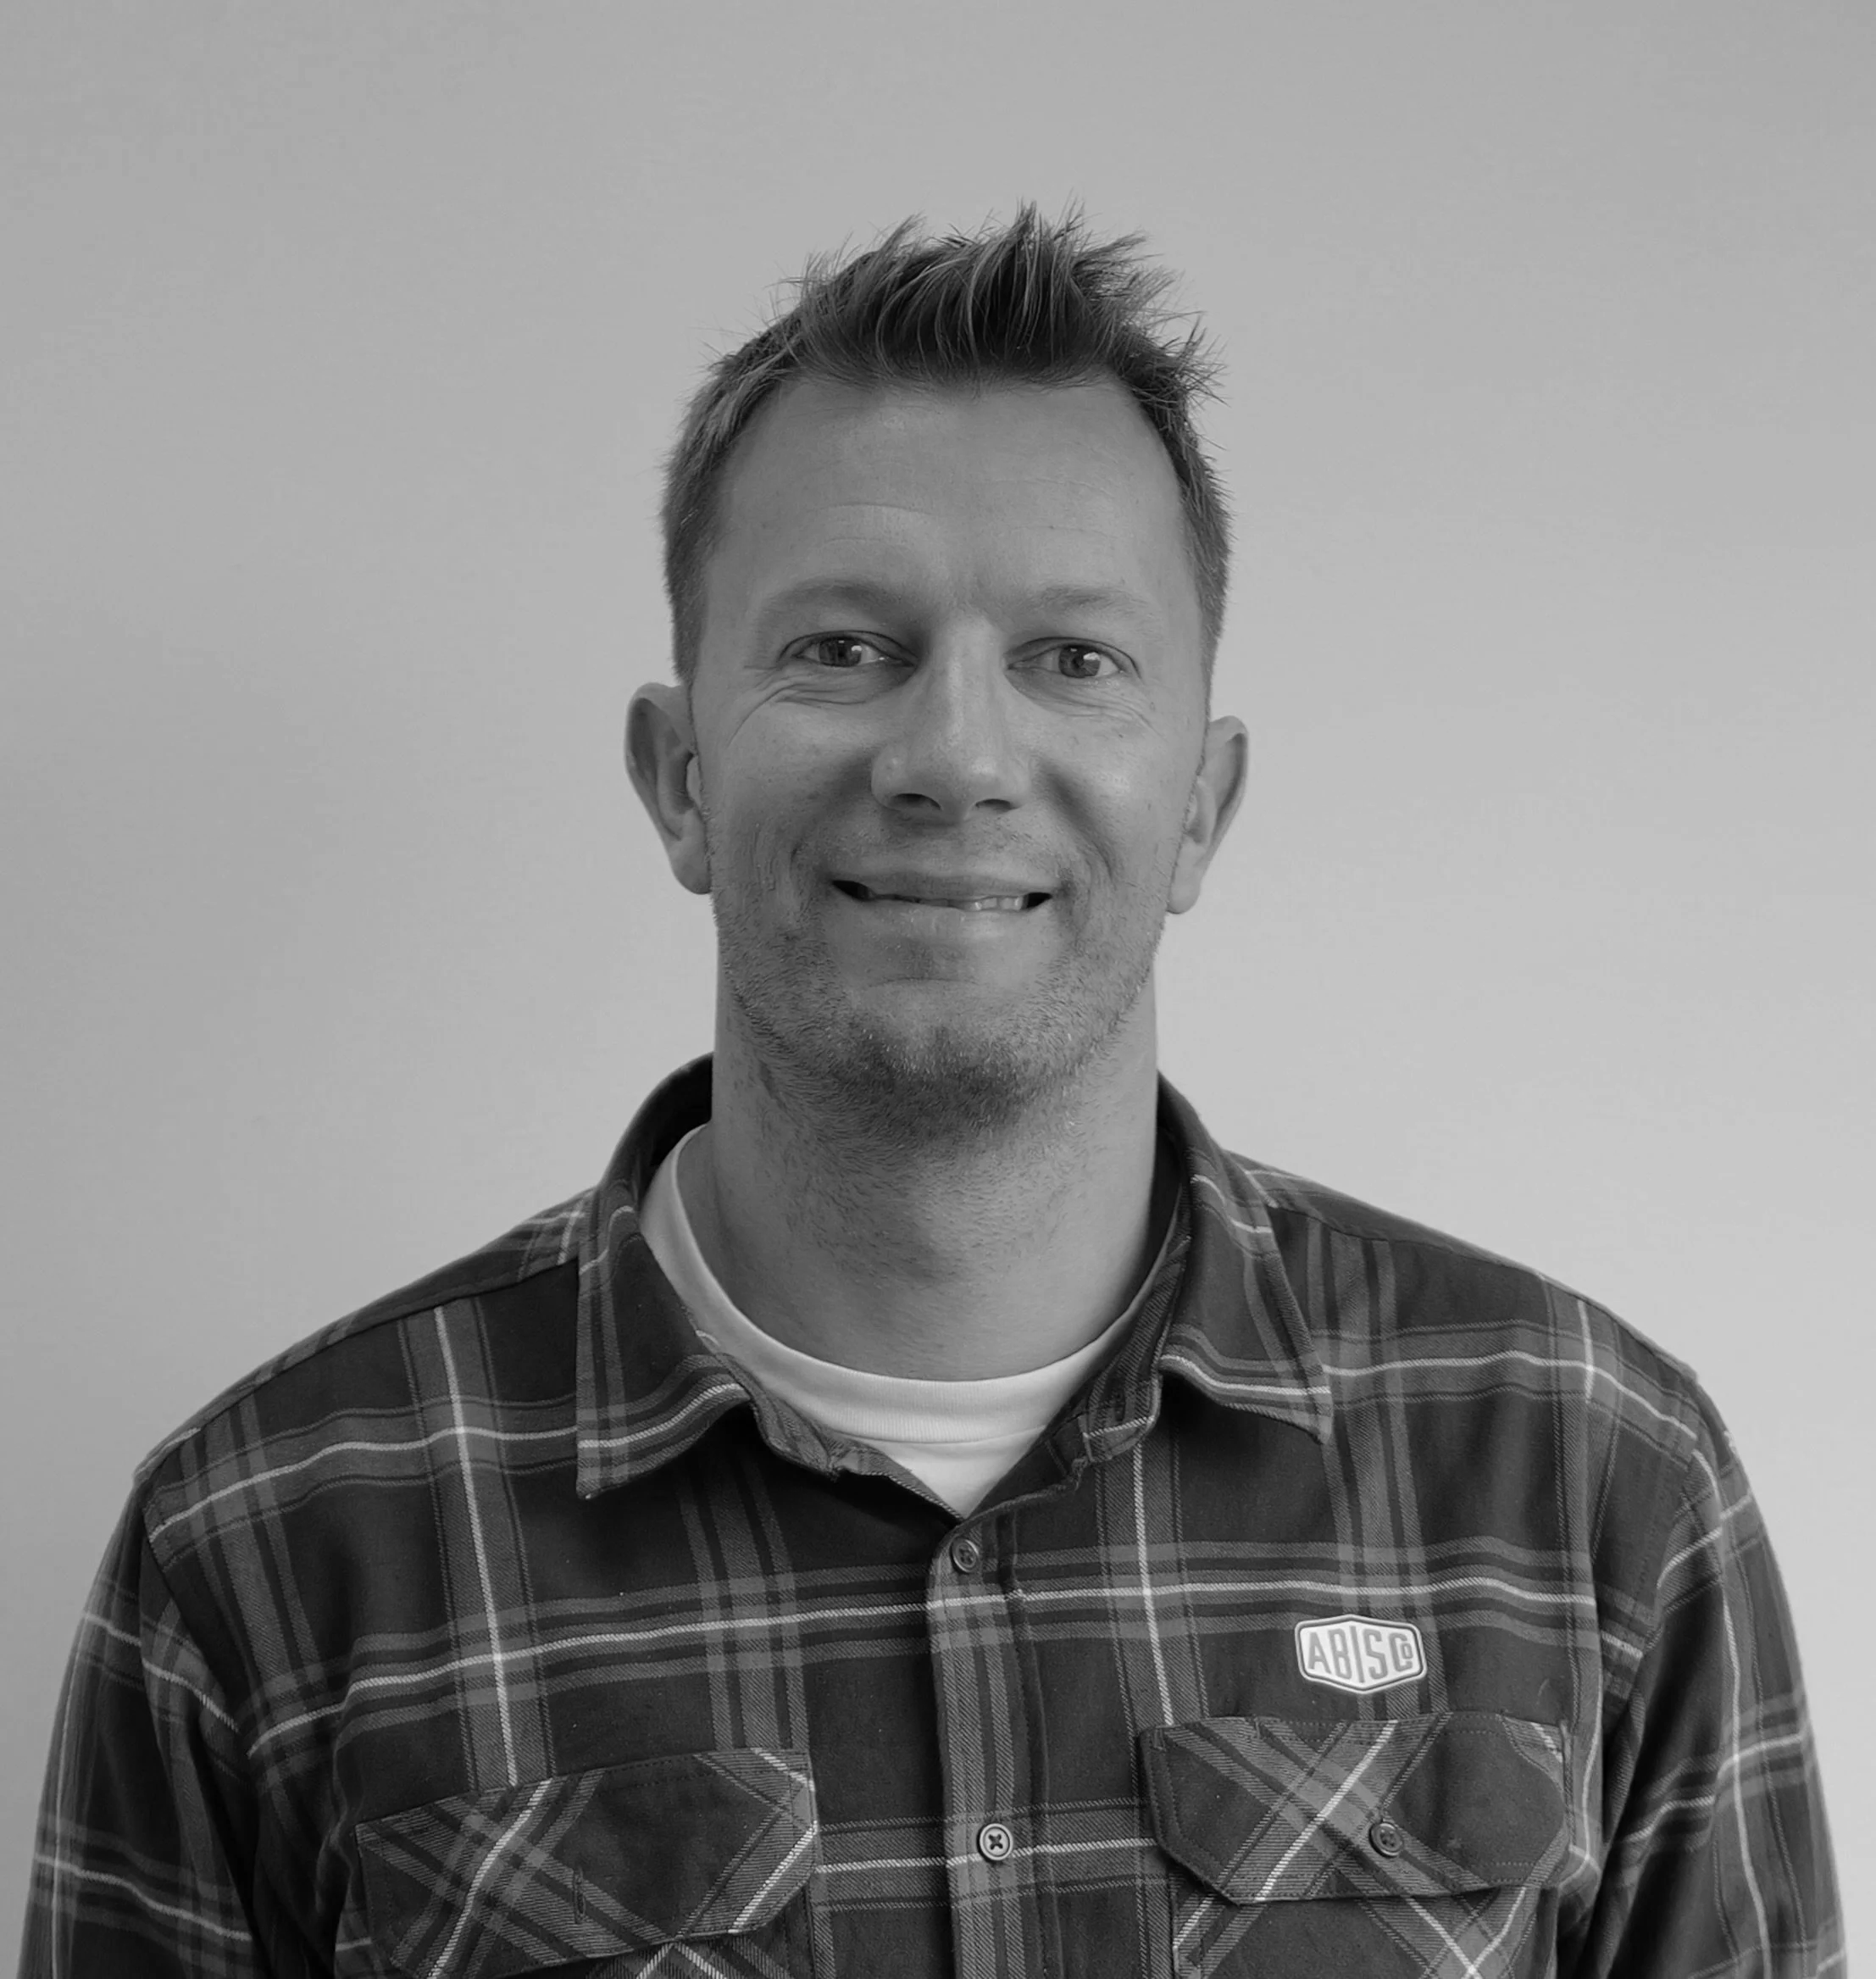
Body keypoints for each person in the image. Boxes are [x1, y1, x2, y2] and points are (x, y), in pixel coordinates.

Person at [20, 206, 1840, 1978]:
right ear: (676, 779)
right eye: (842, 649)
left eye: (1073, 659)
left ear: (1199, 804)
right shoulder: (268, 1546)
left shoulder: (1590, 1484)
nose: (958, 755)